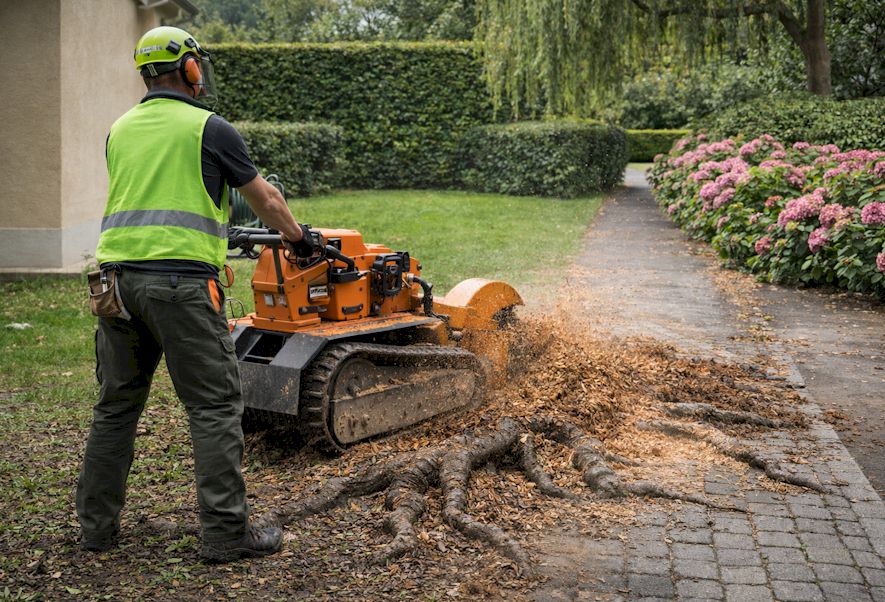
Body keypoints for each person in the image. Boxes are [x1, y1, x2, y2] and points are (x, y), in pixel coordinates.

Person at [76, 26, 319, 563]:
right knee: (212, 406)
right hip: (180, 287)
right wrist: (299, 240)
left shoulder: (119, 129)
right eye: (197, 65)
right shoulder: (210, 128)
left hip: (114, 285)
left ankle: (96, 529)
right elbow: (268, 200)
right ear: (189, 69)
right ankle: (226, 534)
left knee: (115, 407)